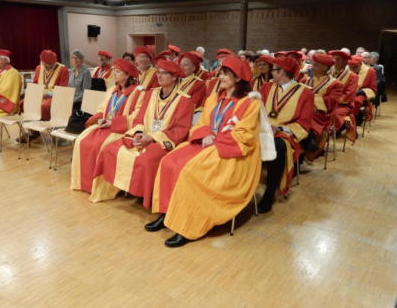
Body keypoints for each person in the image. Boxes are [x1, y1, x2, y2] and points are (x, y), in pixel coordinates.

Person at [148, 57, 262, 247]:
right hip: (208, 142)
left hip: (231, 152)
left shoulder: (250, 104)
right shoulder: (214, 98)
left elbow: (246, 135)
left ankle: (186, 225)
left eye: (226, 74)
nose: (220, 76)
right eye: (221, 73)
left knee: (190, 172)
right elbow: (202, 123)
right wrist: (206, 134)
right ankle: (165, 212)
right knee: (169, 161)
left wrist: (216, 139)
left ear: (238, 78)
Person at [90, 60, 195, 208]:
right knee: (110, 149)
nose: (159, 75)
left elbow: (180, 130)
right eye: (158, 72)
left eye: (164, 73)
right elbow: (139, 118)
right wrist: (138, 133)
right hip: (143, 134)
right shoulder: (151, 94)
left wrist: (152, 137)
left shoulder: (184, 100)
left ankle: (146, 197)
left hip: (162, 140)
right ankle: (121, 188)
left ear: (174, 77)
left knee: (146, 160)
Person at [70, 59, 143, 193]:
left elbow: (137, 116)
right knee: (81, 141)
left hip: (120, 130)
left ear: (127, 75)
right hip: (105, 126)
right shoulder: (112, 90)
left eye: (118, 71)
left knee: (99, 146)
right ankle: (82, 182)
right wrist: (98, 119)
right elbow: (102, 108)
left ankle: (97, 186)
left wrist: (113, 123)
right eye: (114, 70)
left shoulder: (138, 93)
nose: (114, 74)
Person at [258, 57, 314, 213]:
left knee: (278, 147)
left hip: (284, 134)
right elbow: (254, 109)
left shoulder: (305, 93)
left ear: (281, 72)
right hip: (261, 129)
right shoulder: (267, 87)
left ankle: (269, 193)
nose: (271, 72)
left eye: (273, 69)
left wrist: (280, 129)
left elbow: (304, 123)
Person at [302, 53, 343, 162]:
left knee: (303, 122)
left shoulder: (335, 84)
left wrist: (309, 98)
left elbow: (330, 103)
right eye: (312, 64)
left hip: (323, 115)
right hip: (305, 111)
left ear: (325, 68)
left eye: (315, 65)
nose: (312, 67)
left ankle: (304, 151)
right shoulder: (305, 80)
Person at [329, 50, 359, 142]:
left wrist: (332, 100)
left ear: (345, 62)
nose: (335, 61)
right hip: (326, 102)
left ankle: (326, 135)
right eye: (334, 59)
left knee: (333, 115)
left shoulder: (352, 76)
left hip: (343, 105)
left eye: (338, 59)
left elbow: (349, 94)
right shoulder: (328, 72)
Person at [349, 55, 377, 125]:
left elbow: (373, 89)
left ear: (360, 64)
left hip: (362, 93)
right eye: (351, 67)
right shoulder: (348, 70)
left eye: (355, 67)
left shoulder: (370, 71)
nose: (353, 70)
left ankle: (354, 119)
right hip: (349, 92)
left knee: (356, 101)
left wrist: (359, 91)